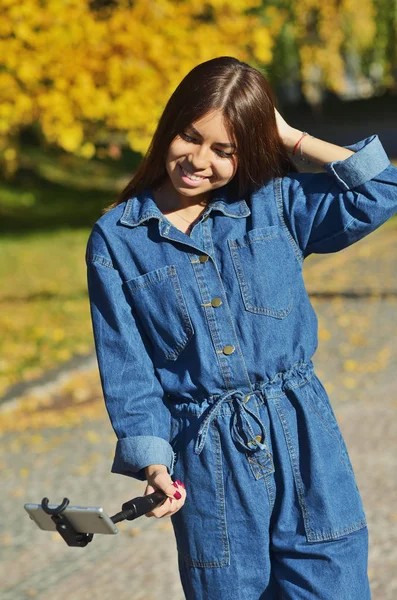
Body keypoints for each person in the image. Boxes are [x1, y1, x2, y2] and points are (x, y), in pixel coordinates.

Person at [85, 56, 397, 599]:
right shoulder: (117, 238)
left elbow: (381, 187)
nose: (198, 160)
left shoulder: (274, 203)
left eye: (224, 149)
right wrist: (155, 463)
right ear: (170, 125)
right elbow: (128, 369)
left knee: (335, 585)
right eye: (190, 136)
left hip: (305, 440)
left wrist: (288, 136)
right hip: (210, 465)